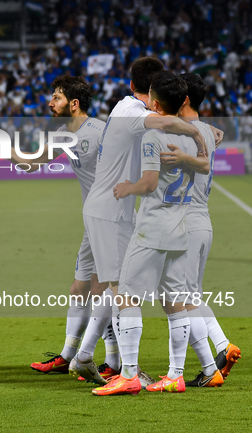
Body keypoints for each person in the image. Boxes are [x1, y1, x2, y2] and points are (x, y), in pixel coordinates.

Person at [71, 57, 217, 385]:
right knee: (124, 289)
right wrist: (199, 132)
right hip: (111, 209)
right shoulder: (134, 113)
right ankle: (127, 371)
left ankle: (85, 357)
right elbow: (164, 123)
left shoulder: (129, 108)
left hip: (115, 209)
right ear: (151, 92)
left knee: (118, 287)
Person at [0, 76, 117, 380]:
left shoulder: (101, 131)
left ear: (74, 104)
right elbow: (32, 162)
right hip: (92, 220)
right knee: (79, 289)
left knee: (102, 291)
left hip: (111, 219)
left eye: (56, 97)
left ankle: (114, 361)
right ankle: (68, 355)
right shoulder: (62, 133)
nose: (50, 102)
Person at [161, 73, 241, 387]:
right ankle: (221, 348)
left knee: (178, 299)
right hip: (203, 221)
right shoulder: (207, 131)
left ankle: (203, 367)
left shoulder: (180, 133)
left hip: (183, 223)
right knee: (190, 295)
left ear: (182, 99)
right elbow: (216, 132)